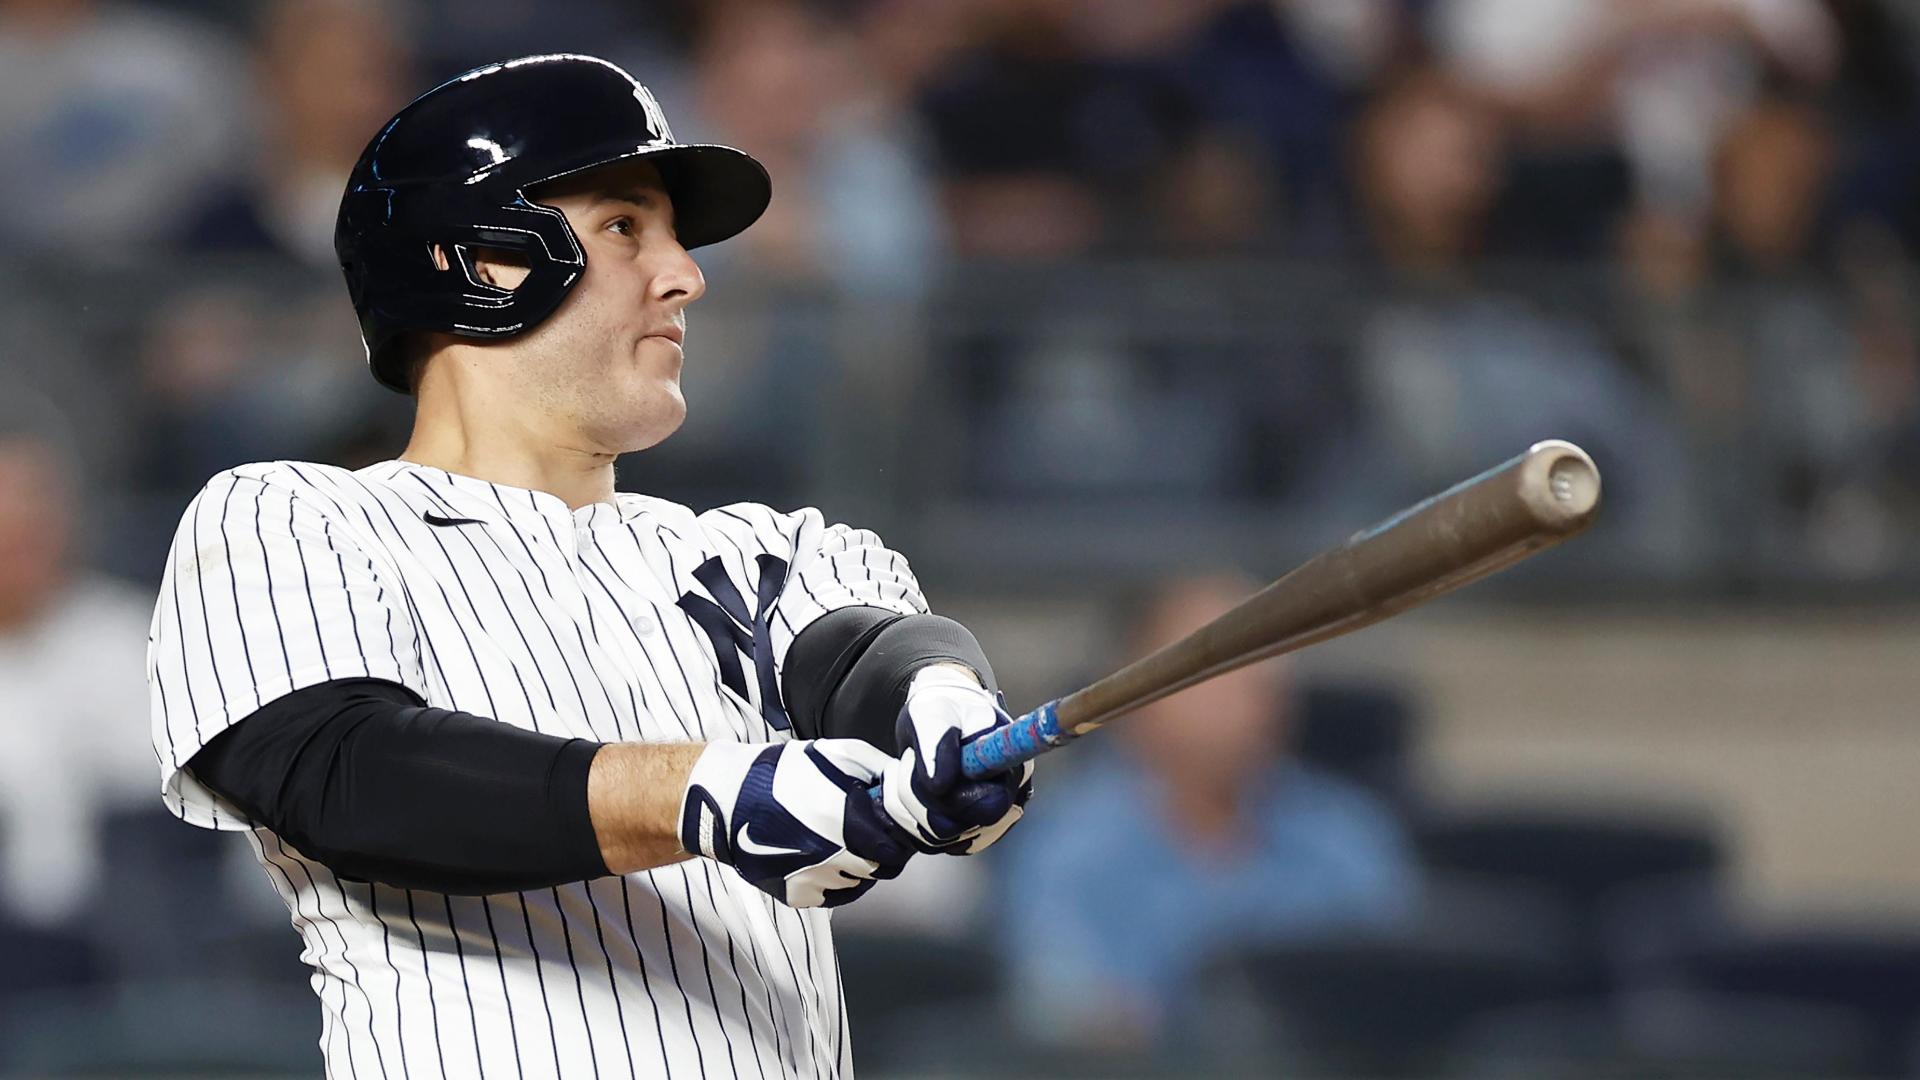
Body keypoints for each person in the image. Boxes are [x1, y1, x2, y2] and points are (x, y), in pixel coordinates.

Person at [147, 54, 1033, 1078]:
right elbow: (342, 776)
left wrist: (942, 705)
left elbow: (864, 645)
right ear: (483, 262)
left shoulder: (750, 546)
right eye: (625, 227)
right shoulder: (296, 516)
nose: (687, 274)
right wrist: (704, 792)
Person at [1002, 574, 1419, 1053]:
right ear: (1130, 693)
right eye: (1220, 666)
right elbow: (1065, 1023)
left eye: (1266, 660)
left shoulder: (1349, 834)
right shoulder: (1063, 849)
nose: (1256, 686)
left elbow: (1403, 1004)